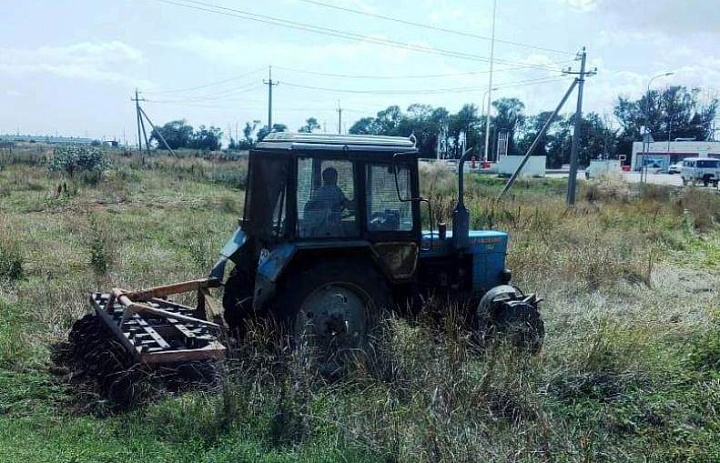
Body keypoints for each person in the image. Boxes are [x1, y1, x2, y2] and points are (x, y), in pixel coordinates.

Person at [303, 167, 354, 236]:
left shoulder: (319, 192)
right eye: (335, 177)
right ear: (334, 177)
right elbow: (349, 206)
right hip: (333, 229)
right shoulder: (335, 190)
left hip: (319, 230)